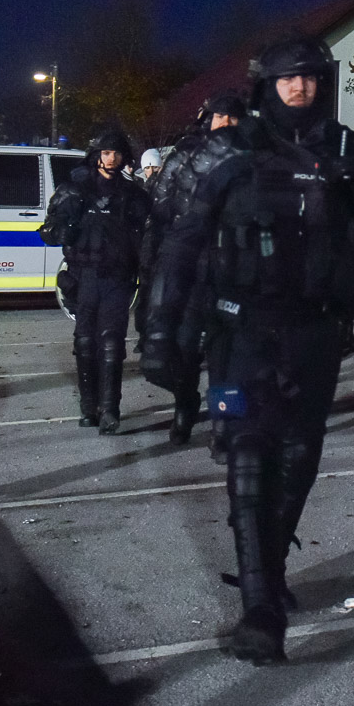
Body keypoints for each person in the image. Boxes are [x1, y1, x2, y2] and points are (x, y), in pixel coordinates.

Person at [140, 35, 354, 664]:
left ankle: (270, 568)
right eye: (288, 78)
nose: (299, 87)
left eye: (309, 77)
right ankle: (259, 606)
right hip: (238, 332)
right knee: (246, 453)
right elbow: (182, 244)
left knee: (297, 459)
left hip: (315, 334)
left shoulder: (345, 150)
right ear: (267, 84)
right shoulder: (228, 151)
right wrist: (160, 332)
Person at [139, 92, 244, 444]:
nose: (225, 123)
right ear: (208, 119)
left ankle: (226, 424)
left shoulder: (251, 156)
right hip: (189, 265)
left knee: (227, 356)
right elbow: (160, 203)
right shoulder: (186, 153)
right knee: (183, 349)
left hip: (231, 268)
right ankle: (185, 404)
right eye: (219, 117)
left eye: (232, 117)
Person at [42, 127, 153, 435]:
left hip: (118, 277)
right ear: (96, 156)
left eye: (116, 153)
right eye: (106, 152)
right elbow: (49, 230)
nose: (111, 158)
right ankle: (88, 408)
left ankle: (110, 409)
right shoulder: (75, 189)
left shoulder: (133, 195)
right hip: (83, 277)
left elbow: (149, 235)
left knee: (112, 342)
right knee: (85, 342)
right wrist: (65, 230)